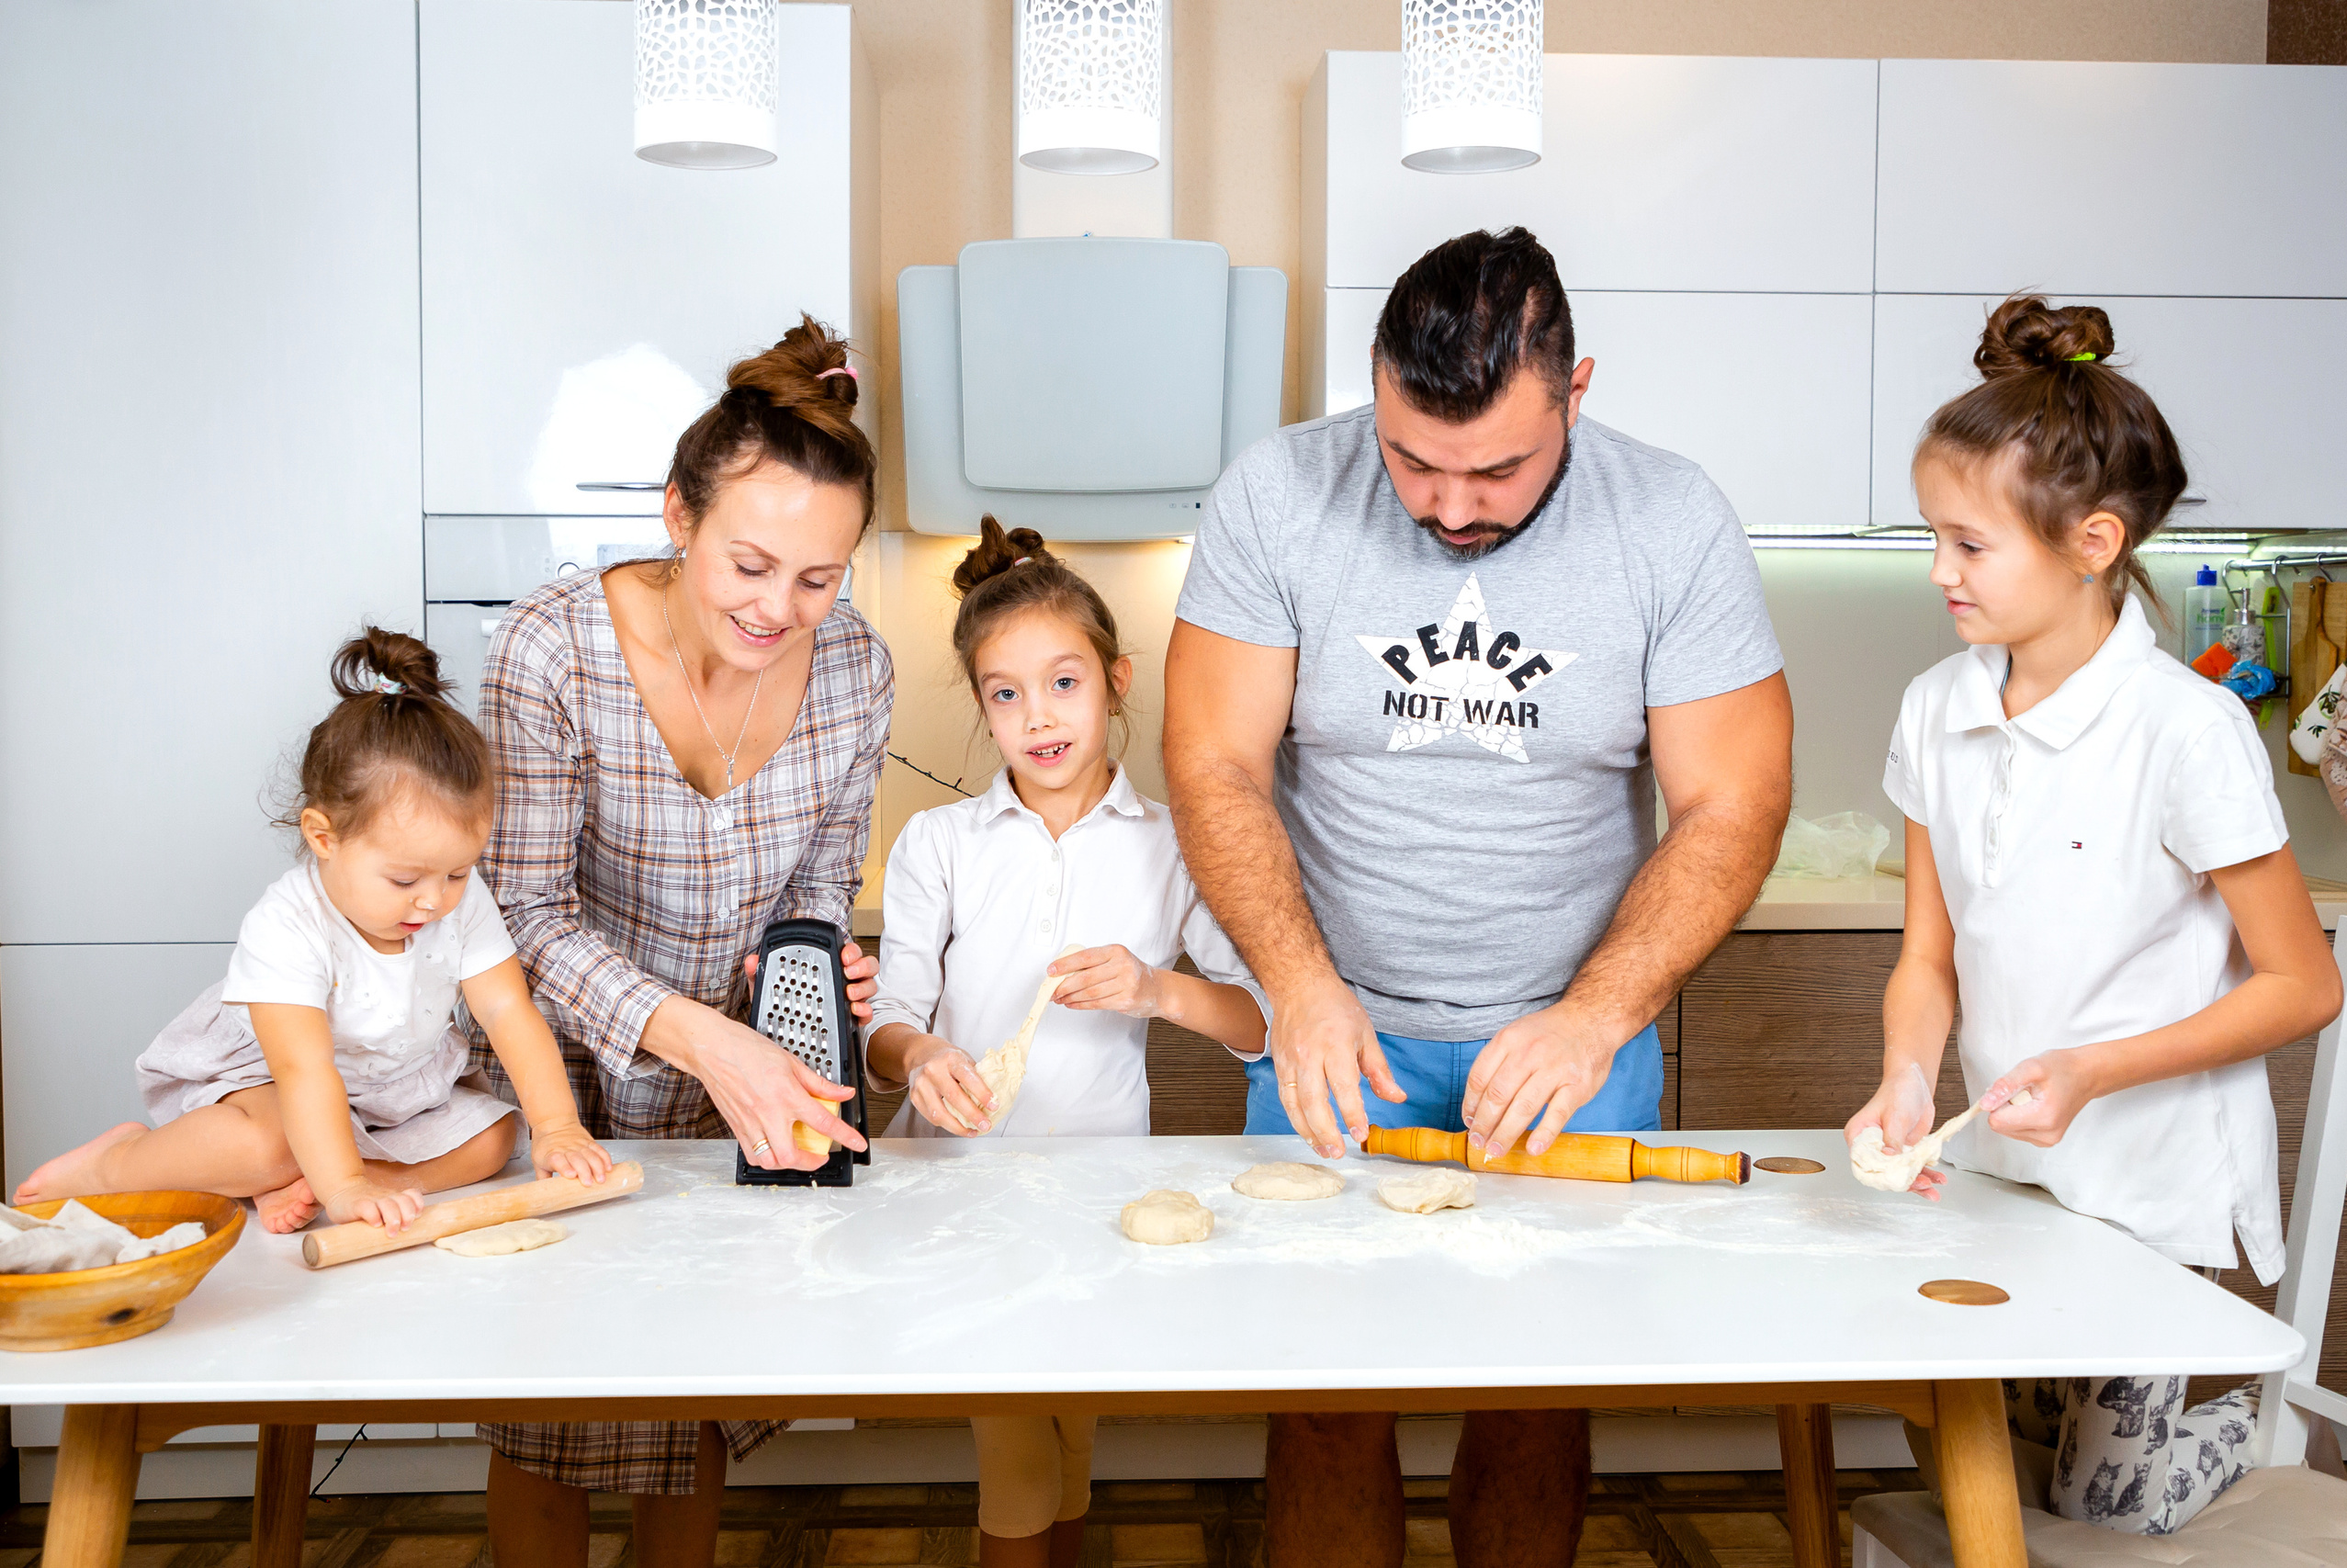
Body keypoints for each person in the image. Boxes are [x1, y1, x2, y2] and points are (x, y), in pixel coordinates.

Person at [1162, 226, 1792, 1568]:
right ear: (1375, 388)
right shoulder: (1276, 494)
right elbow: (1214, 760)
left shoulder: (1671, 517)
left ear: (1578, 390)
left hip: (1574, 1041)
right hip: (1337, 1035)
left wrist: (1596, 1013)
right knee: (1327, 1394)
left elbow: (1733, 803)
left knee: (1535, 1385)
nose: (1451, 507)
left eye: (1498, 466)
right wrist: (1299, 984)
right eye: (1412, 461)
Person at [1848, 295, 2341, 1534]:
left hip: (2148, 1182)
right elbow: (1927, 954)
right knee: (1985, 1474)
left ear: (2093, 539)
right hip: (2001, 1167)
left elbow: (2303, 984)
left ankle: (2270, 1423)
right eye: (1933, 537)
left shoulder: (2189, 729)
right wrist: (1908, 1075)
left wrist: (2089, 1069)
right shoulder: (1933, 707)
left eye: (1969, 545)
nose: (1937, 572)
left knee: (2095, 1502)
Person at [472, 316, 893, 1568]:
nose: (782, 609)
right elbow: (519, 916)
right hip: (570, 1071)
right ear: (678, 516)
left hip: (737, 1076)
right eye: (752, 565)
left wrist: (815, 959)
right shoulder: (553, 648)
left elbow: (817, 887)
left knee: (695, 1390)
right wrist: (698, 1030)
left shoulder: (858, 669)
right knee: (550, 1408)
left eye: (820, 579)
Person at [866, 516, 1269, 1568]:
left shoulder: (1174, 843)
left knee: (1072, 1436)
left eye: (1062, 683)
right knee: (1018, 1454)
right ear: (981, 707)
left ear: (1116, 680)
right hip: (957, 1179)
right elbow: (885, 1027)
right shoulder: (939, 843)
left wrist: (1154, 988)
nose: (1036, 717)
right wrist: (921, 1059)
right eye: (1005, 693)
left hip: (1101, 1182)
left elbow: (1258, 1023)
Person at [14, 629, 611, 1228]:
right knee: (269, 1144)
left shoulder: (458, 898)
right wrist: (345, 1186)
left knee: (498, 1133)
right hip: (268, 1083)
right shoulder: (287, 927)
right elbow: (305, 1070)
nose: (434, 900)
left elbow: (508, 1011)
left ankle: (323, 1180)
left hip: (385, 1090)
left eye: (457, 871)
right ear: (323, 837)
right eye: (405, 879)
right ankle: (117, 1164)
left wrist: (556, 1126)